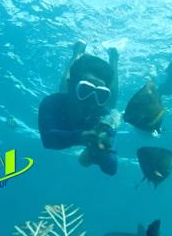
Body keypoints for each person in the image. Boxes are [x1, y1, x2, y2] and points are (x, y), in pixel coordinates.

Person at [38, 43, 119, 176]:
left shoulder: (103, 119)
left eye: (101, 94)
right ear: (73, 86)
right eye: (85, 90)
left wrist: (102, 152)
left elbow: (111, 168)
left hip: (89, 114)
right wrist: (80, 137)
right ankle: (77, 52)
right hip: (67, 97)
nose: (91, 101)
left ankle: (114, 59)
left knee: (109, 106)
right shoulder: (52, 102)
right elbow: (48, 140)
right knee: (63, 88)